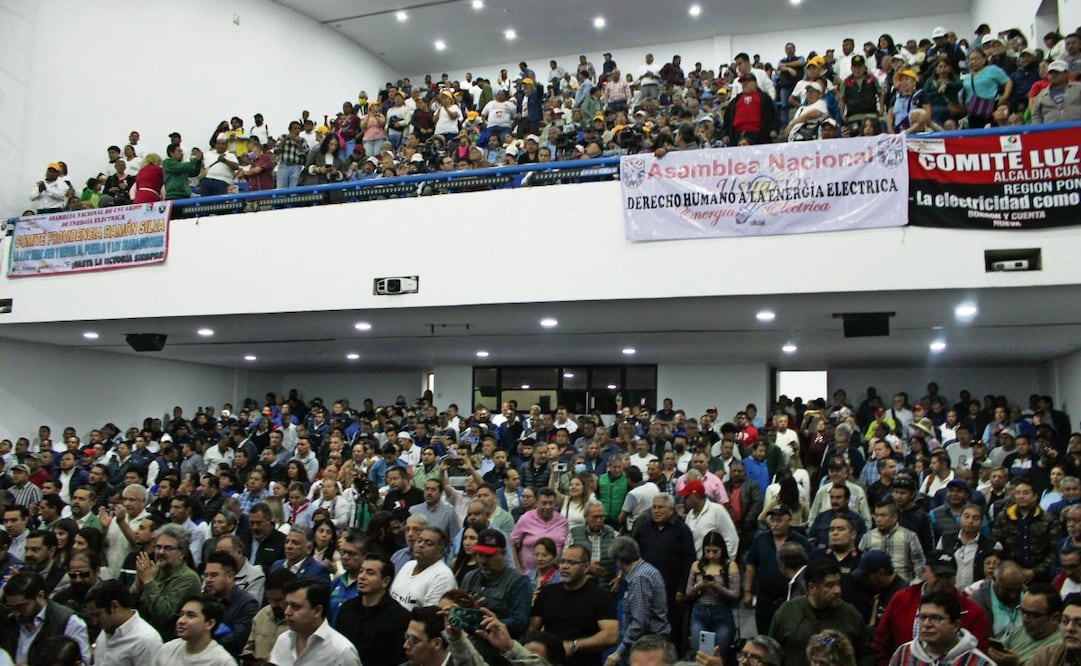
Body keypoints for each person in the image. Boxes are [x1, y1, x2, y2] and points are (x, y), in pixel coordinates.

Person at [874, 550, 991, 665]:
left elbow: (980, 651)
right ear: (925, 572)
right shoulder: (901, 599)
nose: (943, 581)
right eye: (938, 575)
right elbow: (881, 639)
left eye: (948, 576)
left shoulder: (972, 611)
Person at [530, 542, 618, 666]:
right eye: (562, 562)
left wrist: (574, 645)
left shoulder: (600, 596)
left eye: (571, 563)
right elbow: (532, 630)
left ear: (586, 567)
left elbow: (611, 636)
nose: (564, 567)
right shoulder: (548, 592)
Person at [770, 559, 872, 666]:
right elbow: (771, 653)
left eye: (838, 583)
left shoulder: (850, 614)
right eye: (829, 585)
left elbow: (866, 654)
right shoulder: (788, 612)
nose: (837, 591)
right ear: (812, 588)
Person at [744, 504, 811, 634]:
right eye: (772, 520)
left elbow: (808, 568)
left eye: (779, 520)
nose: (774, 524)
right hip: (765, 598)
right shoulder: (761, 539)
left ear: (789, 520)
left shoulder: (800, 541)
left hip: (791, 598)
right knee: (764, 636)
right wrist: (747, 592)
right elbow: (751, 566)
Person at [334, 554, 410, 666]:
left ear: (385, 581)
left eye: (370, 573)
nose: (362, 577)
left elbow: (399, 659)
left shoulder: (400, 617)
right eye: (361, 571)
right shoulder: (347, 608)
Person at [605, 536, 669, 666]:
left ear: (619, 561)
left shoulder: (639, 578)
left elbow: (640, 622)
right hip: (655, 641)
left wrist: (618, 652)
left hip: (648, 646)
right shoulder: (647, 569)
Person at [0, 571, 90, 664]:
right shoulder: (8, 622)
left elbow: (83, 663)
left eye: (21, 607)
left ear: (40, 596)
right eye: (12, 608)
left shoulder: (68, 622)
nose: (16, 613)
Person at [132, 524, 203, 641]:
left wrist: (148, 581)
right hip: (142, 637)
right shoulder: (153, 571)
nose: (160, 552)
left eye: (168, 548)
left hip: (170, 641)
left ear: (182, 553)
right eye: (158, 547)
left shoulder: (188, 578)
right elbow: (131, 604)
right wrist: (138, 584)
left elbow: (163, 614)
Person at [888, 590, 995, 666]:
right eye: (922, 617)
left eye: (935, 618)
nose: (927, 624)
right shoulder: (903, 654)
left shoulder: (979, 662)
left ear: (955, 625)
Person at [268, 579, 359, 665]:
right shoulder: (283, 640)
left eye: (295, 607)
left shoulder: (342, 650)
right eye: (287, 605)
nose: (287, 612)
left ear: (317, 611)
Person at [461, 528, 532, 637]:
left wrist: (492, 622)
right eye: (479, 555)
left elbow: (520, 622)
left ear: (503, 553)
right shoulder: (470, 577)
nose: (483, 561)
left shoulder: (518, 582)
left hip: (500, 643)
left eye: (489, 556)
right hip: (470, 638)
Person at [685, 530, 740, 662]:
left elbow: (735, 594)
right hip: (700, 612)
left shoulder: (730, 566)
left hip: (721, 613)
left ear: (722, 550)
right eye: (707, 551)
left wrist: (716, 586)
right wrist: (700, 585)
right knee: (699, 653)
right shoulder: (697, 565)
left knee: (721, 654)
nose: (711, 555)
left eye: (715, 551)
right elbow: (688, 593)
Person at [86, 579, 163, 666]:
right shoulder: (106, 630)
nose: (94, 622)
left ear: (115, 606)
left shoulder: (147, 640)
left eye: (97, 615)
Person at [201, 551, 259, 658]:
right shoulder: (202, 599)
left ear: (230, 576)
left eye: (214, 575)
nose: (208, 580)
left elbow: (237, 640)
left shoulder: (247, 603)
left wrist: (202, 639)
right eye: (206, 575)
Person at [988, 583, 1062, 665]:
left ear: (1054, 618)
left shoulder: (1061, 648)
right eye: (1023, 612)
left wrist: (1017, 663)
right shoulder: (1021, 631)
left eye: (1033, 615)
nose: (1025, 619)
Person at [151, 595, 237, 666]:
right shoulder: (167, 650)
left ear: (209, 624)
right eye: (181, 614)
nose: (181, 621)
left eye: (191, 616)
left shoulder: (222, 662)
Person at [389, 527, 457, 610]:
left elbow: (429, 617)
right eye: (419, 540)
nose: (421, 545)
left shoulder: (443, 577)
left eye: (429, 543)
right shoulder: (408, 565)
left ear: (441, 552)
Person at [242, 568, 294, 664]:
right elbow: (249, 648)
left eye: (278, 600)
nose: (273, 605)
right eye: (270, 599)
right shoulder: (261, 615)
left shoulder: (300, 623)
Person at [511, 487, 568, 571]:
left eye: (551, 503)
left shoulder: (562, 521)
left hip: (555, 575)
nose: (547, 507)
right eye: (544, 503)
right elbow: (512, 543)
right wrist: (518, 569)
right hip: (528, 574)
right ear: (537, 503)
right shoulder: (525, 519)